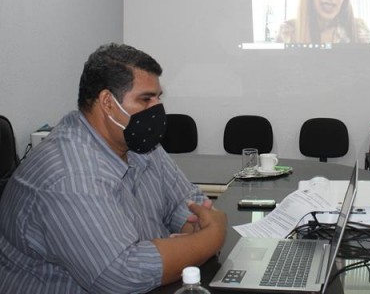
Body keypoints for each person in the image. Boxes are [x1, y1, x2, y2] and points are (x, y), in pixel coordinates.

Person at [0, 43, 227, 293]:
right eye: (145, 99)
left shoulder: (139, 144)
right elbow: (123, 273)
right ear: (108, 102)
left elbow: (183, 201)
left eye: (158, 98)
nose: (157, 110)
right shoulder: (69, 176)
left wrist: (192, 232)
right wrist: (210, 237)